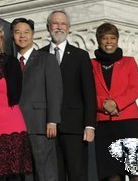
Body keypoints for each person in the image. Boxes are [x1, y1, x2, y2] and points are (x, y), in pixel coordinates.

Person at [91, 23, 138, 181]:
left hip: (128, 122)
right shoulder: (90, 64)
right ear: (98, 41)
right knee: (111, 175)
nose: (109, 42)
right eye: (104, 38)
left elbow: (134, 89)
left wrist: (116, 103)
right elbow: (87, 92)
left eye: (113, 38)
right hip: (104, 125)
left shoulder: (129, 62)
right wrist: (103, 104)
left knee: (135, 172)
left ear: (117, 40)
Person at [46, 10, 96, 181]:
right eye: (55, 23)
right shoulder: (40, 55)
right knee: (55, 174)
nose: (59, 27)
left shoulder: (80, 56)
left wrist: (90, 125)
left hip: (74, 127)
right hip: (48, 127)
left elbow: (89, 92)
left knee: (77, 174)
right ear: (48, 27)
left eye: (63, 24)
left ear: (69, 28)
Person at [0, 25, 33, 180]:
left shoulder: (11, 62)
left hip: (12, 123)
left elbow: (17, 91)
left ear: (2, 41)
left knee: (15, 175)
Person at [12, 18, 61, 181]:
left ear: (33, 34)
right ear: (12, 35)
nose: (22, 36)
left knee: (45, 171)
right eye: (18, 32)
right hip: (16, 126)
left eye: (26, 32)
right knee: (25, 174)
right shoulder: (10, 62)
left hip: (40, 125)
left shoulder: (46, 59)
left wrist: (52, 120)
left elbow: (55, 91)